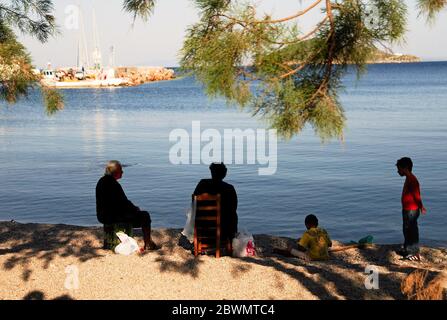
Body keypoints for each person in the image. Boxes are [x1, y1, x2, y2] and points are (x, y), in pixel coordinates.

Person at [96, 160, 158, 251]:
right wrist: (135, 209)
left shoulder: (101, 181)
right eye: (121, 170)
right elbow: (124, 203)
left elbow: (119, 203)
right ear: (115, 172)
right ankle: (148, 243)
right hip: (112, 216)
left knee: (136, 213)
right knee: (145, 216)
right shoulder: (113, 184)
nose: (122, 172)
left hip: (102, 216)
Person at [193, 163, 238, 244]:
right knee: (233, 214)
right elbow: (234, 208)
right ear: (224, 174)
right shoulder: (229, 188)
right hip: (223, 228)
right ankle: (229, 239)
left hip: (203, 227)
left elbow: (194, 201)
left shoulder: (202, 184)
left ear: (211, 172)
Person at [396, 157, 426, 261]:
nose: (398, 171)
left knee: (411, 230)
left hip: (411, 210)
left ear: (406, 168)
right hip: (407, 209)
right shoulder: (408, 178)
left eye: (399, 169)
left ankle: (413, 252)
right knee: (406, 229)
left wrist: (421, 206)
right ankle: (407, 249)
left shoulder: (412, 180)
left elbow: (417, 195)